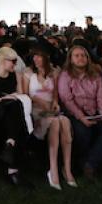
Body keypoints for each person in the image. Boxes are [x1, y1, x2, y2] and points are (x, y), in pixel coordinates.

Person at [58, 45, 102, 180]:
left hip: (94, 112)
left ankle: (90, 164)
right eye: (77, 56)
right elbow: (67, 100)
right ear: (71, 59)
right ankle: (83, 161)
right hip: (75, 114)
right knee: (83, 131)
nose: (81, 58)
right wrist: (81, 117)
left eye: (83, 55)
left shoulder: (95, 75)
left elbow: (101, 97)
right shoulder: (65, 75)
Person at [23, 48, 76, 190]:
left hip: (50, 109)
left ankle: (67, 168)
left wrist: (55, 103)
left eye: (39, 56)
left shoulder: (54, 73)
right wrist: (40, 102)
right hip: (36, 110)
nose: (36, 59)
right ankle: (53, 170)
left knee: (63, 121)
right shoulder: (28, 73)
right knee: (55, 122)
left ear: (46, 57)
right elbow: (25, 95)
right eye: (34, 56)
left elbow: (55, 95)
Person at [0, 47, 33, 188]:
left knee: (15, 108)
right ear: (3, 61)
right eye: (13, 61)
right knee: (14, 110)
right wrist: (4, 99)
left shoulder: (16, 75)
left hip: (11, 113)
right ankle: (13, 169)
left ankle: (10, 144)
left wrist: (12, 98)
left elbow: (21, 97)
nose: (15, 64)